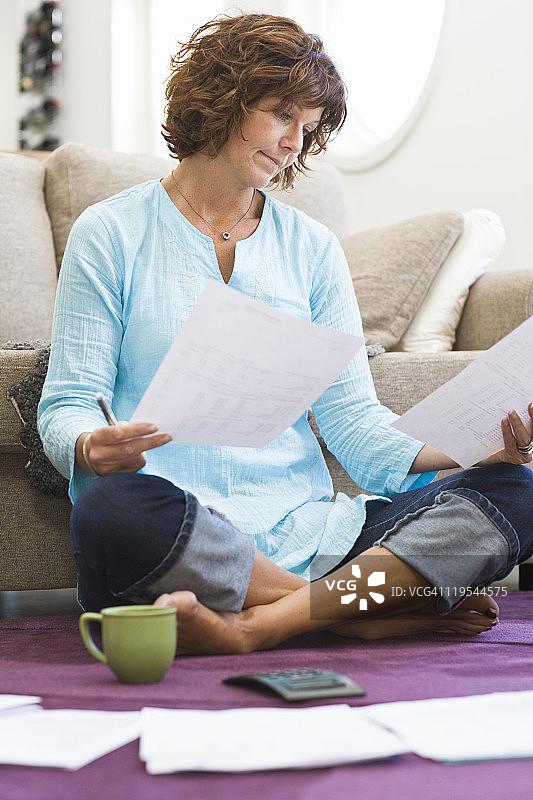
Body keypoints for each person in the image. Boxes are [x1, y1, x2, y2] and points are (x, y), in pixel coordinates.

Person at [38, 12, 533, 655]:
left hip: (313, 530)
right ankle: (361, 604)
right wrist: (88, 446)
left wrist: (467, 449)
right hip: (181, 523)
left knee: (516, 491)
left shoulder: (313, 249)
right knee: (111, 509)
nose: (295, 143)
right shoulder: (110, 233)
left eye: (308, 128)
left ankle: (259, 625)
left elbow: (354, 422)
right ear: (221, 99)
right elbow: (67, 402)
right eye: (280, 115)